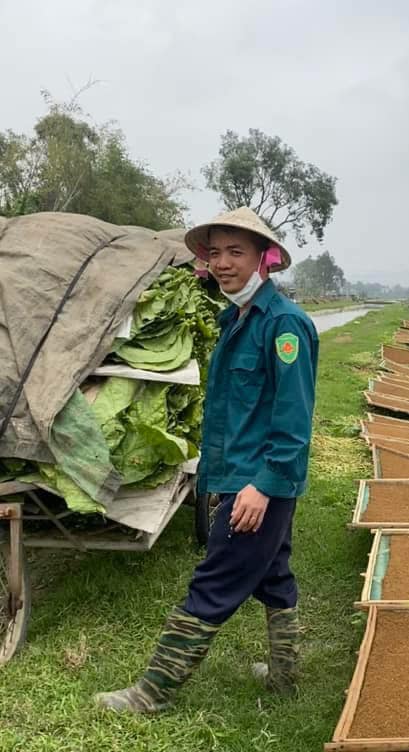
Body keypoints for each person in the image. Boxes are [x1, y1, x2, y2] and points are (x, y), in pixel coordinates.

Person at [95, 208, 318, 713]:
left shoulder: (283, 326)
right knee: (273, 573)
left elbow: (293, 419)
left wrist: (262, 486)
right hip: (237, 473)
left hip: (258, 483)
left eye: (235, 252)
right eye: (214, 252)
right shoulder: (234, 317)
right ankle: (285, 675)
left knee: (214, 581)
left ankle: (153, 692)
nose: (222, 263)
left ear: (265, 257)